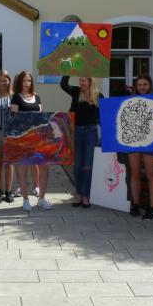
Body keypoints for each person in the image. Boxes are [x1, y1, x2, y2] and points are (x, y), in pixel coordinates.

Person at [10, 71, 52, 211]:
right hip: (22, 140)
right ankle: (26, 200)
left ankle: (41, 199)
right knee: (23, 169)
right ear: (20, 82)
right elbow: (14, 119)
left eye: (29, 80)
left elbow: (42, 117)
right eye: (24, 81)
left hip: (39, 140)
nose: (27, 83)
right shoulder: (16, 98)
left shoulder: (37, 97)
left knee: (45, 167)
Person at [60, 75, 103, 208]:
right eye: (80, 80)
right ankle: (78, 193)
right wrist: (68, 71)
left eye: (84, 80)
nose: (81, 83)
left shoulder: (99, 96)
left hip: (91, 132)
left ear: (90, 81)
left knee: (88, 166)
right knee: (77, 165)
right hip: (76, 131)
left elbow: (103, 116)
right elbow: (63, 85)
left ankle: (86, 195)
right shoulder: (76, 92)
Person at [126, 74, 153, 220]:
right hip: (133, 140)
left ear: (150, 85)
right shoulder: (130, 101)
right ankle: (135, 204)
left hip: (150, 141)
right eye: (139, 85)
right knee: (135, 173)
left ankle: (152, 208)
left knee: (151, 174)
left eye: (145, 84)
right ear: (136, 86)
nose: (142, 87)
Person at [0, 70, 14, 203]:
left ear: (9, 81)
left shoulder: (13, 96)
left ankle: (8, 191)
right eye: (0, 80)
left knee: (9, 163)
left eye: (5, 80)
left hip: (10, 133)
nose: (3, 82)